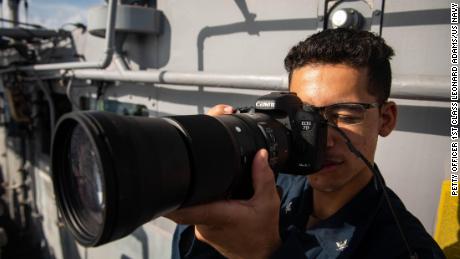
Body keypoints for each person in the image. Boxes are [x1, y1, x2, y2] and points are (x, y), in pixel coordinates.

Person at [167, 28, 445, 259]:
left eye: (344, 116)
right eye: (305, 118)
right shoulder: (270, 180)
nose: (322, 140)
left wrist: (264, 254)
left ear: (386, 119)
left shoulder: (405, 248)